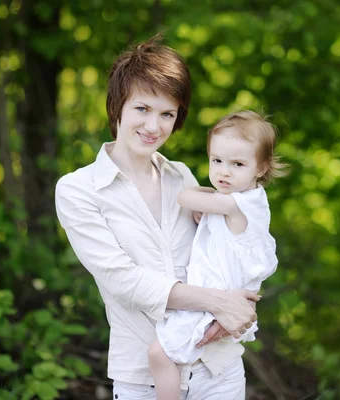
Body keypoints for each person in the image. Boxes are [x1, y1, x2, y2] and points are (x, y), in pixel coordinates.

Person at [55, 34, 259, 400]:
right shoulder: (78, 189)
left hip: (218, 367)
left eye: (167, 114)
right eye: (143, 109)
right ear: (118, 106)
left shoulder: (181, 176)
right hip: (143, 378)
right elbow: (124, 280)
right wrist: (217, 301)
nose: (154, 126)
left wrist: (239, 305)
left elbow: (229, 246)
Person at [148, 110, 288, 400]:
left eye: (237, 164)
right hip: (220, 298)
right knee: (170, 356)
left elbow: (184, 197)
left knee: (159, 354)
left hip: (213, 301)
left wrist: (206, 196)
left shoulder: (236, 204)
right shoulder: (245, 199)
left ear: (260, 168)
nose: (224, 171)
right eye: (217, 160)